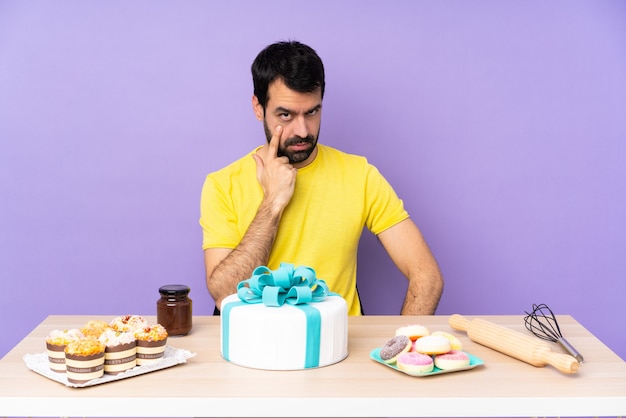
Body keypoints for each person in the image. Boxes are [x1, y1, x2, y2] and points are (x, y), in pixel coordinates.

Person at [200, 40, 443, 316]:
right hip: (256, 350)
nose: (302, 130)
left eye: (312, 112)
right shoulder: (222, 185)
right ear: (258, 108)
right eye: (286, 115)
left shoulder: (360, 176)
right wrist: (272, 203)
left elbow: (427, 276)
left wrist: (404, 346)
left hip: (339, 347)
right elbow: (225, 294)